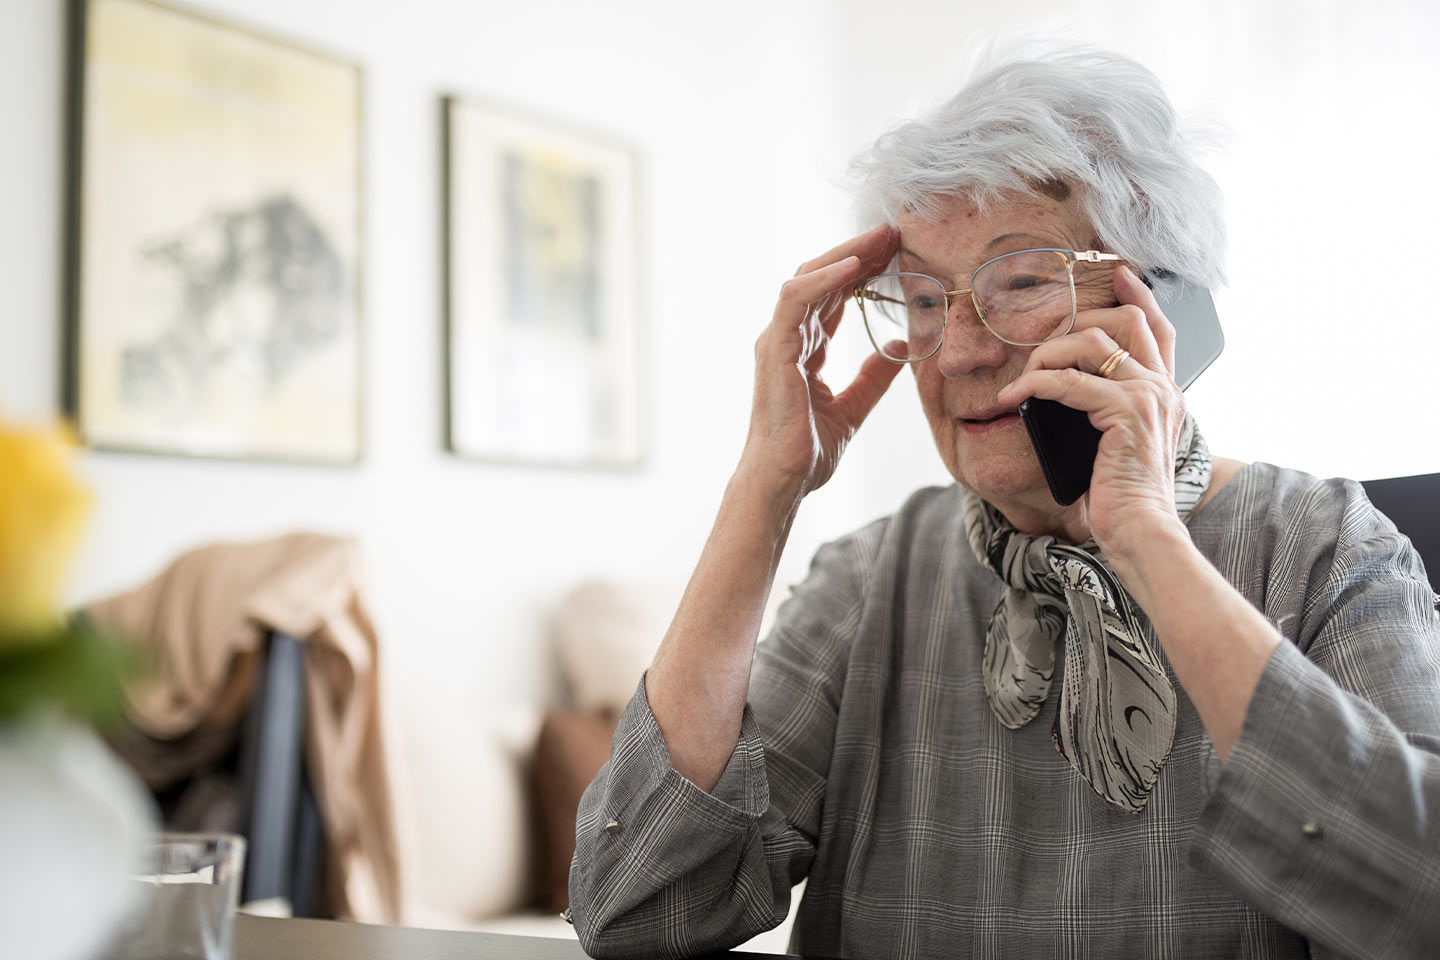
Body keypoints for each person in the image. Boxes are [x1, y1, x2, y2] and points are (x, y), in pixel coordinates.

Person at [567, 48, 1440, 959]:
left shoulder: (1324, 547)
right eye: (920, 300)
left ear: (1165, 306)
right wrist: (767, 486)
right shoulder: (873, 578)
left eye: (1019, 283)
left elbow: (1422, 906)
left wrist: (1144, 537)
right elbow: (636, 911)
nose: (954, 357)